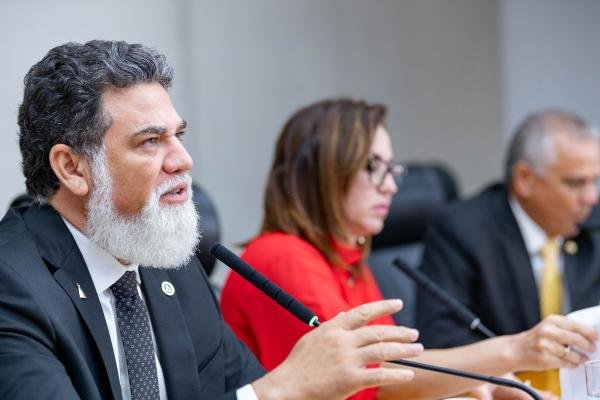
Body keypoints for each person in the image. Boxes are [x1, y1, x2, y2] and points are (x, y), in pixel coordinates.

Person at [0, 40, 426, 400]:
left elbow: (239, 385)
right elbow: (263, 393)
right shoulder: (12, 284)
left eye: (178, 136)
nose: (183, 160)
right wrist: (281, 389)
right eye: (150, 142)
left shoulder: (172, 265)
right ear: (72, 168)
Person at [220, 99, 597, 400]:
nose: (390, 187)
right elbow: (377, 381)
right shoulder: (282, 257)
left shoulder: (347, 258)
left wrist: (484, 381)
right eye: (374, 167)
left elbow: (397, 365)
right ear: (323, 172)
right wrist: (515, 350)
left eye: (392, 170)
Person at [416, 110, 600, 395]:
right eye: (575, 183)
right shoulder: (463, 230)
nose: (591, 197)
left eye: (595, 181)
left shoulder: (593, 225)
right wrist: (501, 382)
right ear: (525, 179)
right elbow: (443, 340)